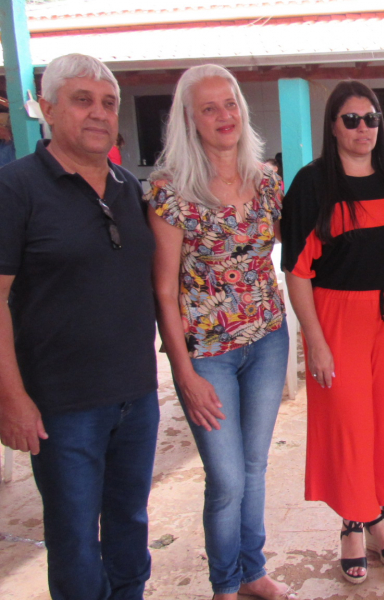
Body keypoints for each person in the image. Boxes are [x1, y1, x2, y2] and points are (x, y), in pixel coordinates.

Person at [0, 53, 159, 600]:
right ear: (46, 109)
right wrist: (12, 397)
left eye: (109, 103)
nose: (99, 113)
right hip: (61, 408)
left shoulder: (127, 187)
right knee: (73, 540)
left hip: (136, 397)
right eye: (82, 100)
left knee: (130, 525)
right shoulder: (15, 188)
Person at [146, 64, 293, 600]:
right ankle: (224, 586)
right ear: (190, 119)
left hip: (268, 340)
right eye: (209, 108)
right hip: (208, 354)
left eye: (229, 104)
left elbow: (296, 255)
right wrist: (182, 372)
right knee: (227, 478)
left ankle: (252, 572)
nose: (223, 116)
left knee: (254, 468)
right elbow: (163, 290)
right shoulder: (169, 193)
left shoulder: (268, 181)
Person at [281, 81, 384, 585]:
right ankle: (353, 524)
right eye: (351, 119)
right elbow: (297, 271)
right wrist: (314, 339)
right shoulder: (311, 184)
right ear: (333, 125)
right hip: (337, 319)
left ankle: (378, 513)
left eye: (371, 119)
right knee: (347, 424)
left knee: (383, 422)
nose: (363, 128)